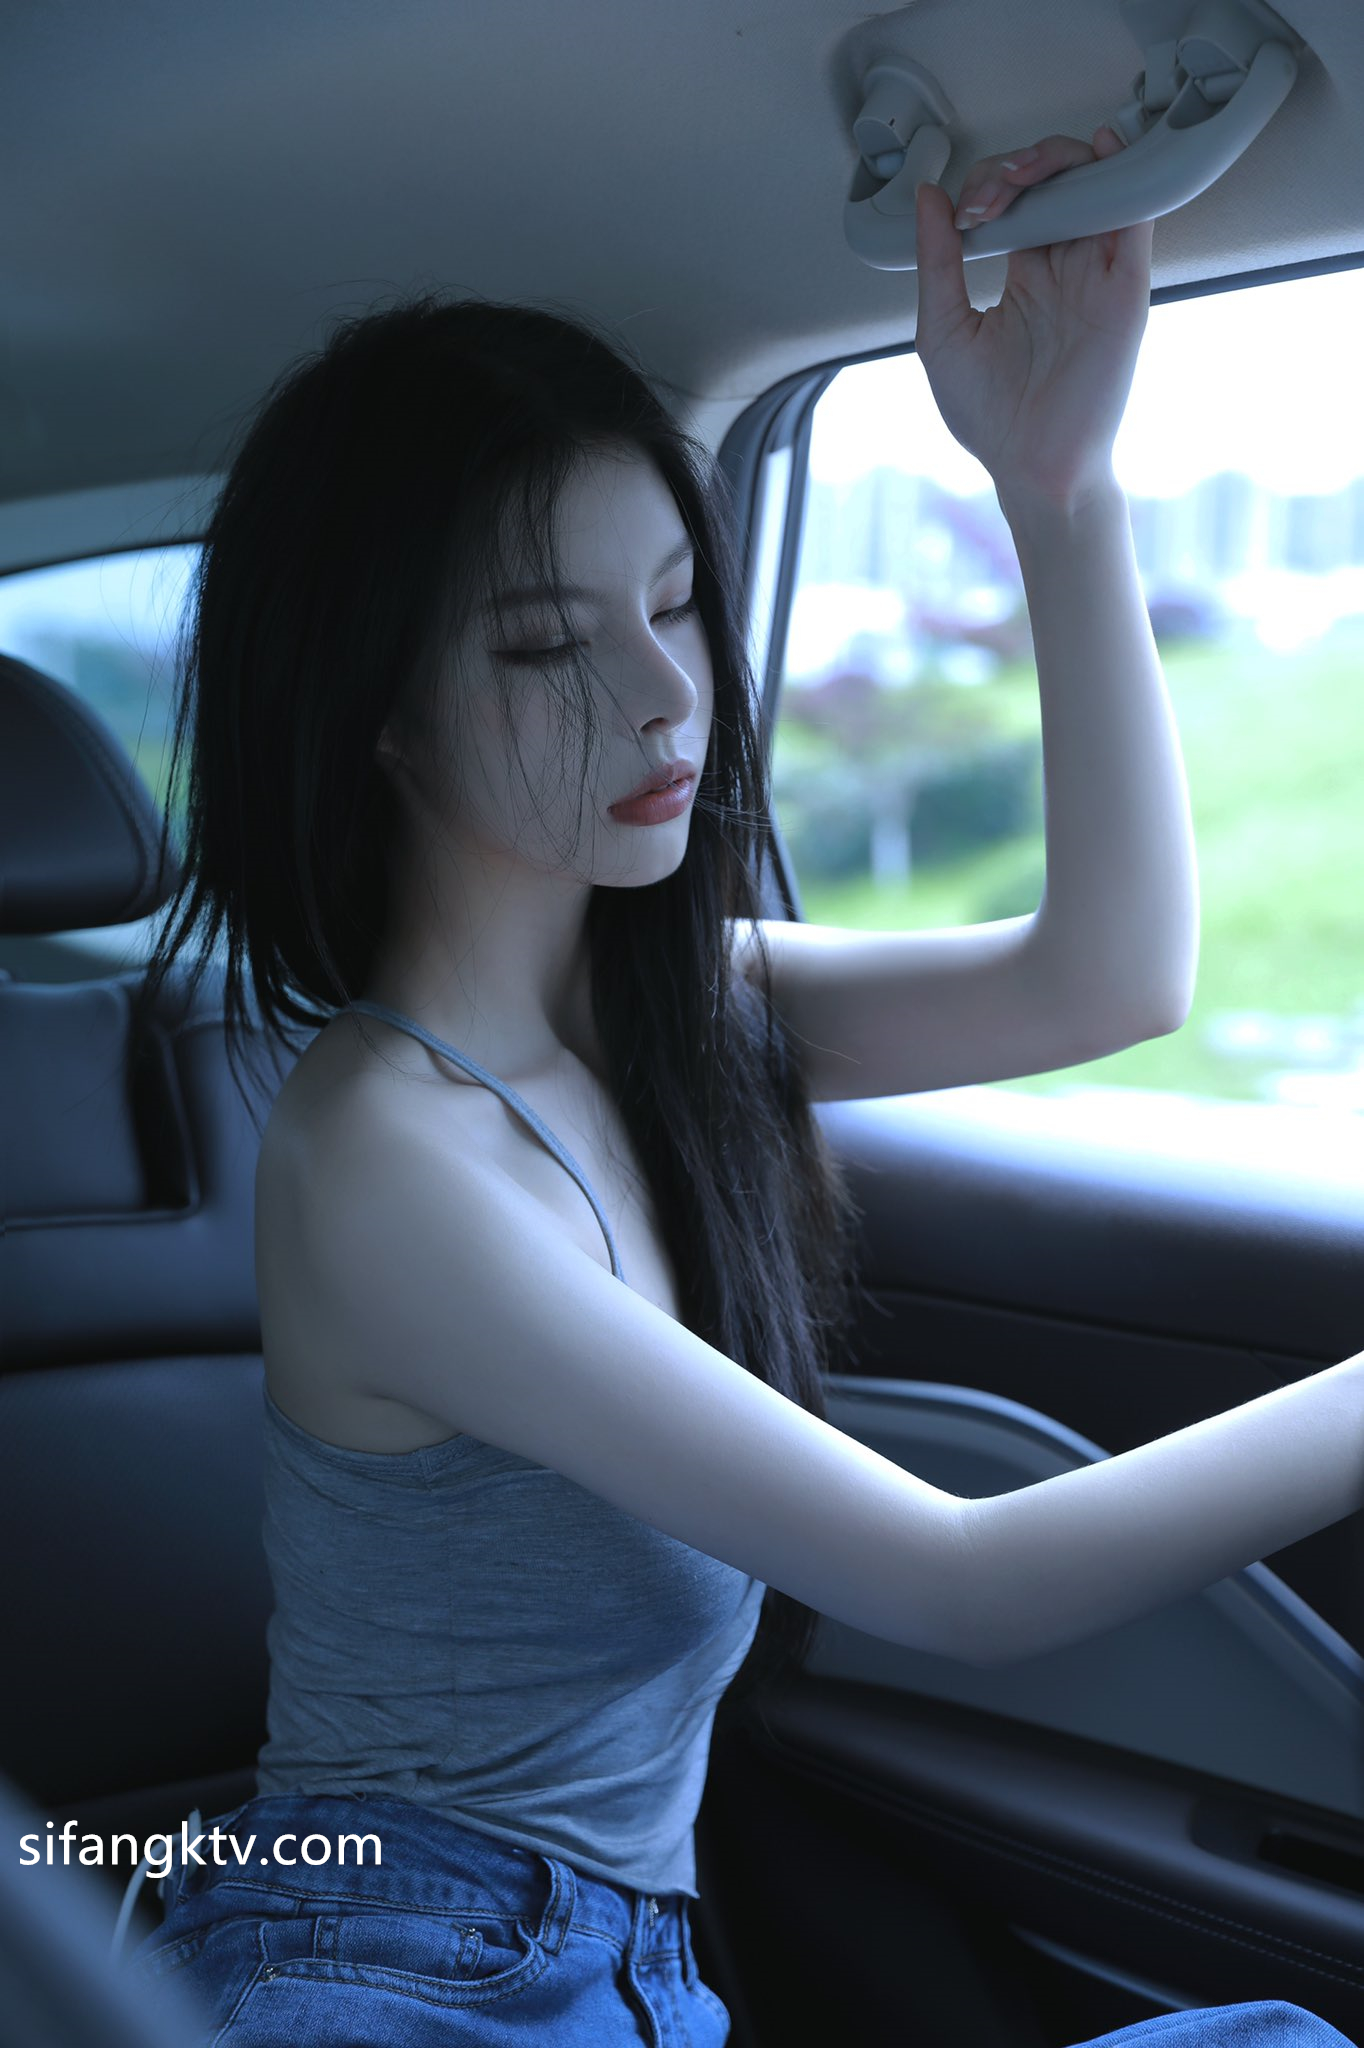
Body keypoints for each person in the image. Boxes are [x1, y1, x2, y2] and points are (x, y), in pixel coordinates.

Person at [114, 126, 1361, 2047]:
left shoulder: (681, 1006)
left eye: (678, 601)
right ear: (377, 714)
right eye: (549, 642)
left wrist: (1058, 487)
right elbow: (959, 1577)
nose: (666, 693)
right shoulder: (382, 1155)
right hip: (385, 1975)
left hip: (624, 1978)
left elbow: (1115, 976)